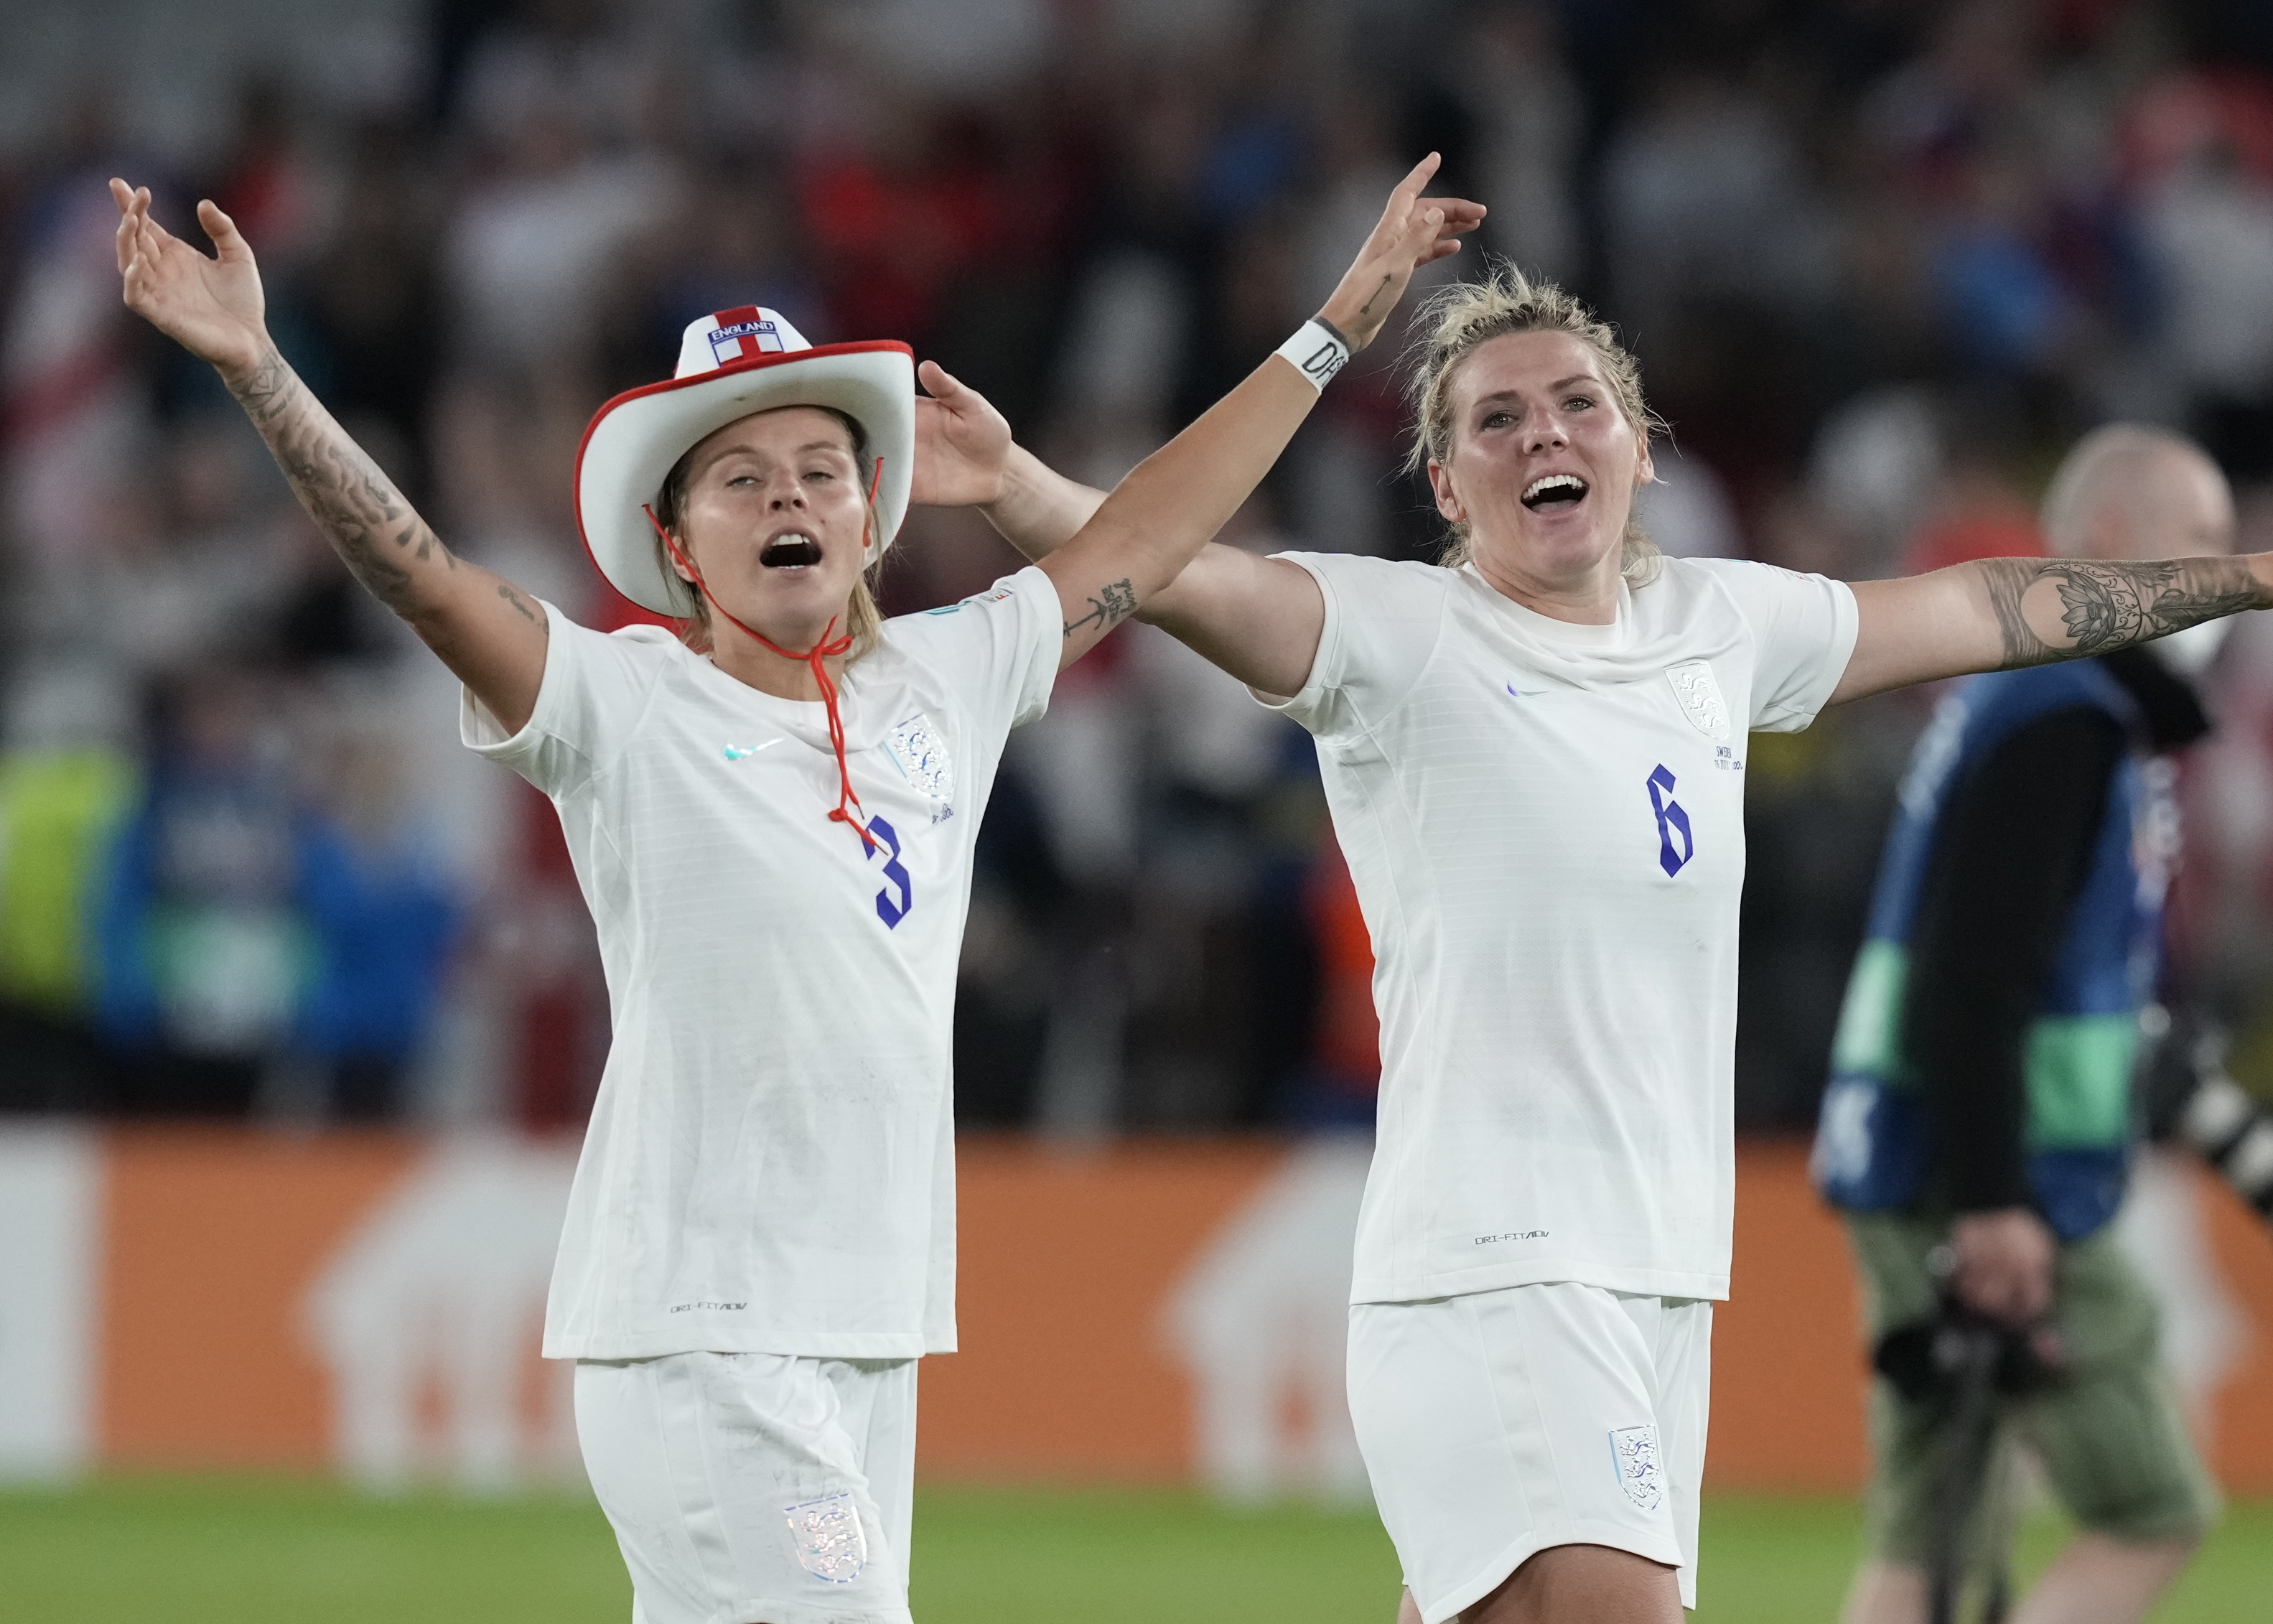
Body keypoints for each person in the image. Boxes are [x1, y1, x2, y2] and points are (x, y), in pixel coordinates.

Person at [912, 271, 2273, 1623]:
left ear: (1638, 449)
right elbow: (1179, 574)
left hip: (1653, 1271)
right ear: (1447, 485)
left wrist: (2249, 579)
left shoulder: (1717, 628)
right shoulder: (1391, 638)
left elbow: (1987, 605)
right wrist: (1023, 487)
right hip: (1498, 1262)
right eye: (1494, 421)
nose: (1542, 436)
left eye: (1577, 404)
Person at [110, 160, 1480, 1624]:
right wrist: (263, 372)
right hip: (704, 1330)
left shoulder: (948, 681)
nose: (789, 498)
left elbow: (1145, 540)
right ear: (676, 546)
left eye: (821, 471)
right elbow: (429, 580)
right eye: (742, 479)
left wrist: (1341, 318)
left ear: (869, 519)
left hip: (868, 1326)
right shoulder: (619, 702)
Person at [1814, 425, 2239, 1624]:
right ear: (2109, 538)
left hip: (1917, 1149)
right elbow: (1976, 976)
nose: (2229, 568)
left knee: (1934, 1527)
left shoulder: (2022, 696)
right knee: (2150, 1507)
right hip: (1983, 1171)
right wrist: (2000, 1195)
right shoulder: (2072, 712)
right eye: (2202, 536)